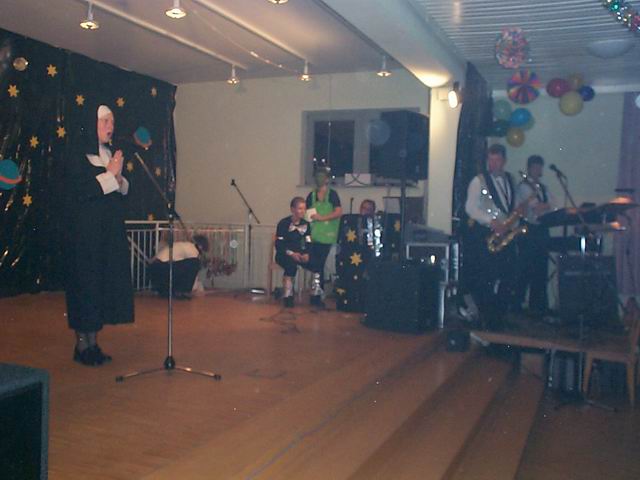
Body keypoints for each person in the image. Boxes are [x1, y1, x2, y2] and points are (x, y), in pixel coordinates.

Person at [64, 105, 134, 366]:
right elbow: (81, 191)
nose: (110, 127)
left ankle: (93, 344)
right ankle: (82, 345)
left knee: (100, 287)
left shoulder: (107, 155)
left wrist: (119, 177)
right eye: (105, 121)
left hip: (106, 235)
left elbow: (121, 191)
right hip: (85, 237)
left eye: (112, 122)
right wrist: (110, 174)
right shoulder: (76, 155)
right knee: (85, 287)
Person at [463, 143, 518, 329]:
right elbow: (470, 208)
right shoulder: (478, 181)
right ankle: (487, 317)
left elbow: (511, 206)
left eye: (497, 160)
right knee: (487, 276)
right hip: (486, 235)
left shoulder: (510, 180)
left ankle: (500, 315)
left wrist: (512, 222)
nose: (493, 164)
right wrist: (490, 221)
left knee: (508, 275)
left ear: (504, 161)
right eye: (490, 160)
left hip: (506, 233)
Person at [515, 155, 555, 315]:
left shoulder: (543, 188)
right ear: (529, 168)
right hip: (528, 230)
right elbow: (535, 207)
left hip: (542, 230)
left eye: (539, 167)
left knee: (541, 269)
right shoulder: (524, 187)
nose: (538, 170)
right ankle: (517, 305)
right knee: (525, 269)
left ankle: (538, 306)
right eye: (535, 167)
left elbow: (553, 204)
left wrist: (544, 206)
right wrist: (545, 206)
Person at [306, 168, 343, 307]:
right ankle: (316, 295)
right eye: (317, 176)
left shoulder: (332, 195)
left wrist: (322, 218)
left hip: (328, 237)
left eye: (322, 176)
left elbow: (338, 212)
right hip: (314, 236)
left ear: (327, 179)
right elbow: (307, 215)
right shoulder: (311, 196)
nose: (319, 179)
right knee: (317, 267)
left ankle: (317, 295)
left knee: (321, 266)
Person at [275, 197, 312, 308]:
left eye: (304, 208)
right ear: (292, 209)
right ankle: (288, 295)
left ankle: (316, 295)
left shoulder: (306, 224)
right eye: (300, 208)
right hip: (284, 254)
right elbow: (279, 244)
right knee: (291, 265)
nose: (303, 211)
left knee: (316, 262)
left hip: (300, 254)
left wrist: (307, 253)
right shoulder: (283, 223)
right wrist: (291, 253)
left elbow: (308, 241)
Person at [149, 234, 209, 299]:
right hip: (163, 268)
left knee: (185, 267)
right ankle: (182, 291)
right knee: (195, 262)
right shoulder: (193, 250)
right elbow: (192, 271)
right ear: (200, 246)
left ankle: (167, 290)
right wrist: (194, 288)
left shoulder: (185, 246)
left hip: (156, 269)